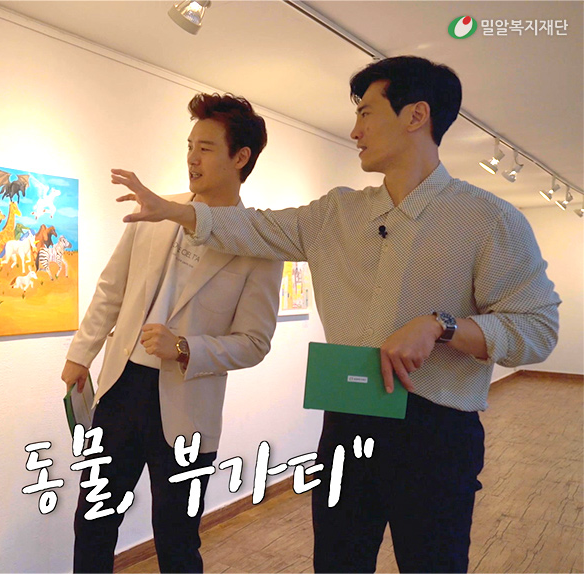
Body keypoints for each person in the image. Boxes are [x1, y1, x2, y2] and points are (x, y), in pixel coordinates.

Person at [111, 56, 561, 573]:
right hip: (346, 423)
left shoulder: (488, 219)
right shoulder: (337, 213)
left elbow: (537, 327)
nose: (354, 131)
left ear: (416, 116)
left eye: (366, 113)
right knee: (336, 562)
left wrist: (443, 325)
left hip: (435, 433)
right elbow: (253, 229)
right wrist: (176, 210)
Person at [62, 93, 282, 573]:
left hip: (187, 400)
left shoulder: (259, 244)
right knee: (93, 521)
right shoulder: (158, 210)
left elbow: (255, 342)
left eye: (206, 147)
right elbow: (111, 289)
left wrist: (184, 348)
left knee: (177, 538)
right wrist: (82, 354)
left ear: (240, 157)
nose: (192, 158)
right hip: (121, 389)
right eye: (189, 146)